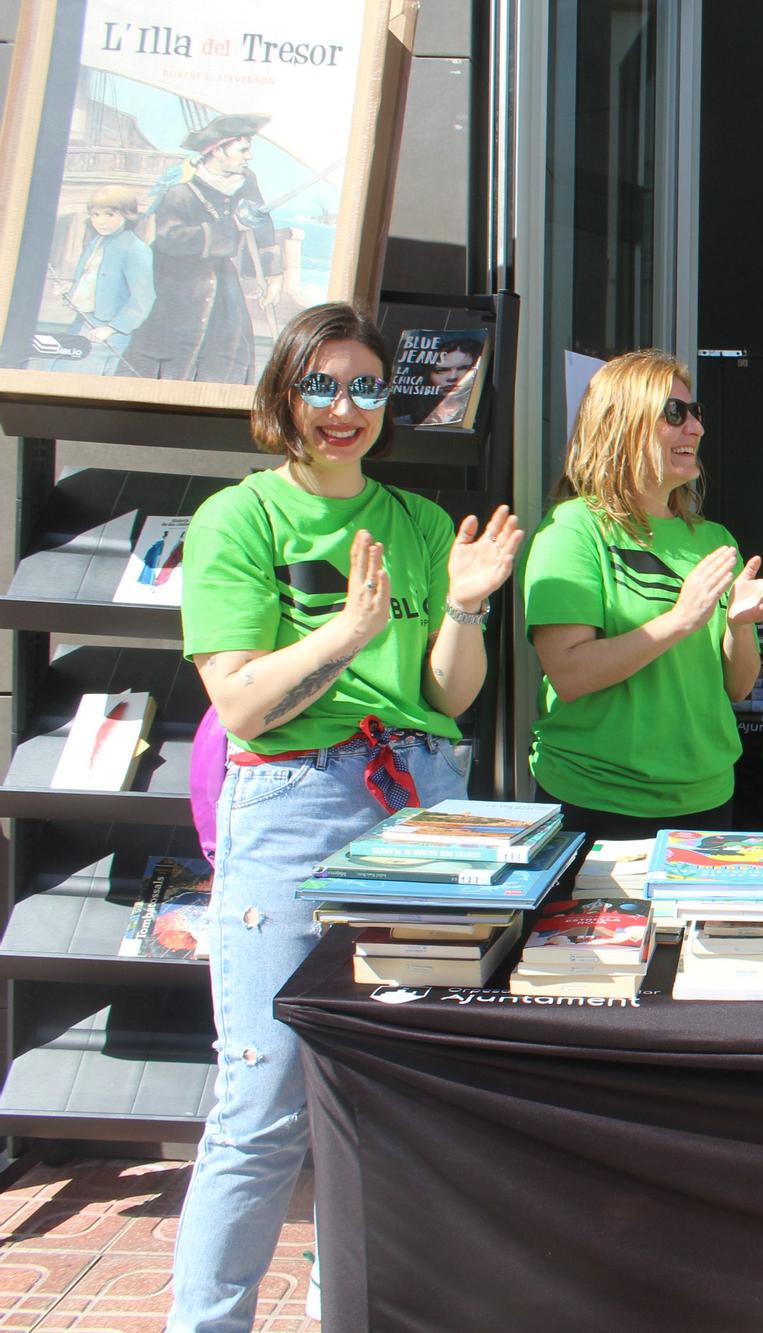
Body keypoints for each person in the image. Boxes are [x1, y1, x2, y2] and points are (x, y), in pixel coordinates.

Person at [171, 302, 523, 1331]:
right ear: (283, 393)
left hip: (421, 802)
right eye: (322, 384)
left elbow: (449, 696)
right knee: (264, 1104)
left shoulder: (413, 521)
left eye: (366, 386)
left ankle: (350, 1311)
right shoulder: (241, 519)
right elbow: (238, 701)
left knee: (390, 1092)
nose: (344, 407)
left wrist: (461, 607)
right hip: (292, 803)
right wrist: (342, 634)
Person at [524, 349, 763, 845]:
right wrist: (681, 618)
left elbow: (737, 687)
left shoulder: (713, 539)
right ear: (622, 423)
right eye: (675, 413)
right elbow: (570, 672)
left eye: (697, 413)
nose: (696, 429)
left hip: (706, 800)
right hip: (599, 801)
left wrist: (739, 623)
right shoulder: (573, 529)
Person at [122, 112, 283, 384]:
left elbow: (261, 226)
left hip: (224, 289)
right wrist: (230, 227)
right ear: (218, 151)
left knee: (229, 357)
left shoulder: (246, 181)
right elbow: (170, 238)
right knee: (166, 362)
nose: (249, 156)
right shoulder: (179, 189)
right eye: (243, 150)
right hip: (177, 288)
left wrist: (273, 275)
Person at [47, 186, 154, 375]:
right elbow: (95, 282)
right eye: (96, 215)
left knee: (82, 380)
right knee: (57, 371)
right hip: (82, 323)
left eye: (110, 215)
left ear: (127, 215)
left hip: (108, 333)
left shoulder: (136, 249)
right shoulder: (95, 242)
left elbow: (143, 298)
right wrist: (70, 289)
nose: (101, 221)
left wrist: (113, 328)